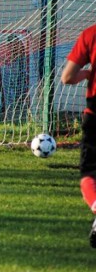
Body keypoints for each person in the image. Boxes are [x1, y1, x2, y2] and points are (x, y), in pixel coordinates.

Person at [60, 23, 96, 248]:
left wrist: (88, 73)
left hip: (95, 113)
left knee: (89, 175)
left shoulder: (91, 34)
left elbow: (67, 77)